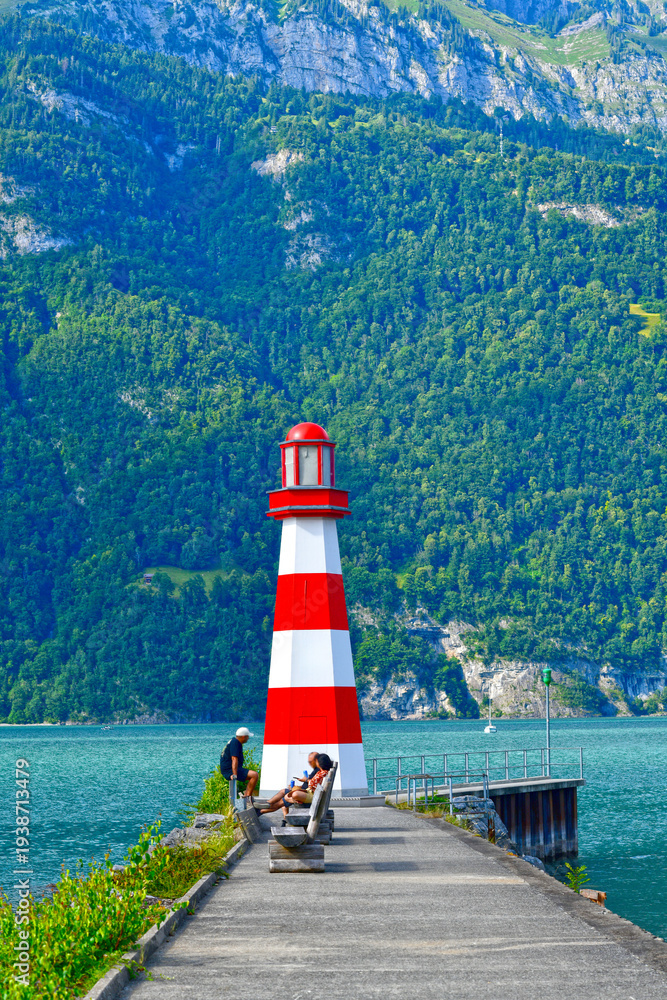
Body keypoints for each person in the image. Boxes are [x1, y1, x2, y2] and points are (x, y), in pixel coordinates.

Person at [259, 751, 319, 824]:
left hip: (305, 795)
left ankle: (261, 811)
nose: (309, 764)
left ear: (316, 760)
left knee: (281, 802)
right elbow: (310, 784)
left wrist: (305, 780)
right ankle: (267, 803)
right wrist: (297, 786)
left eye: (310, 762)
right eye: (308, 762)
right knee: (283, 791)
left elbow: (314, 784)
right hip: (304, 791)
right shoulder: (317, 770)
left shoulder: (318, 771)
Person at [220, 727, 258, 802]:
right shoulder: (235, 743)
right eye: (248, 737)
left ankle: (246, 795)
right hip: (230, 770)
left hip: (229, 768)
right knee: (254, 775)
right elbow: (234, 758)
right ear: (244, 736)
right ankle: (247, 798)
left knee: (251, 777)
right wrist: (234, 774)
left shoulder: (234, 741)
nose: (248, 738)